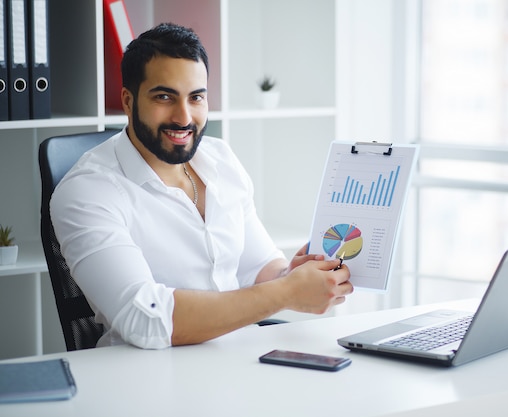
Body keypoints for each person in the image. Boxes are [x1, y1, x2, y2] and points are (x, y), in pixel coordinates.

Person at [50, 22, 353, 349]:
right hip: (147, 378)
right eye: (164, 96)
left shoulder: (221, 160)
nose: (183, 117)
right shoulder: (87, 191)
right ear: (128, 100)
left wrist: (293, 276)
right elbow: (147, 321)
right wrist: (286, 292)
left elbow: (259, 268)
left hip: (239, 361)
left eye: (196, 98)